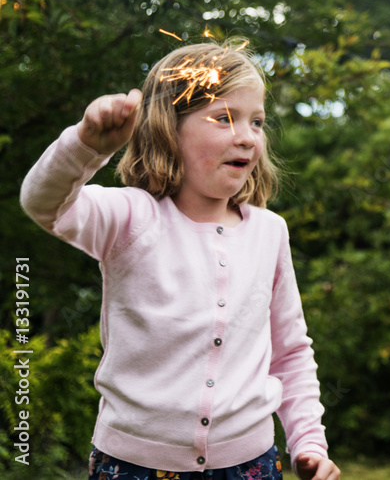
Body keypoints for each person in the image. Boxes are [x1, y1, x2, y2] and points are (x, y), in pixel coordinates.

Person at [20, 39, 340, 480]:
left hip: (251, 465)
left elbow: (289, 354)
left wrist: (309, 441)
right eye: (224, 118)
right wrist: (84, 146)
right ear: (169, 129)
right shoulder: (130, 216)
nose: (247, 135)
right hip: (133, 466)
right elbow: (43, 204)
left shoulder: (270, 232)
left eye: (257, 121)